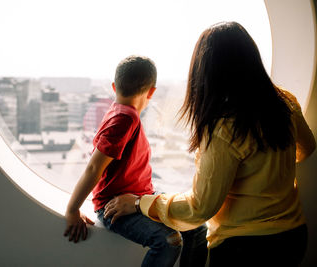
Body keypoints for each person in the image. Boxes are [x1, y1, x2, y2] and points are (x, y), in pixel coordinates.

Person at [104, 22, 316, 267]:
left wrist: (140, 203)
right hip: (293, 236)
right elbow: (307, 148)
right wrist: (267, 169)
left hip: (245, 248)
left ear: (205, 72)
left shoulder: (225, 126)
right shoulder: (284, 102)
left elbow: (199, 208)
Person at [63, 55, 208, 267]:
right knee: (169, 241)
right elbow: (94, 167)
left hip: (141, 197)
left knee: (197, 227)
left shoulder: (122, 114)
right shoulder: (124, 119)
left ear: (114, 86)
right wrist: (72, 210)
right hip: (114, 206)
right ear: (151, 92)